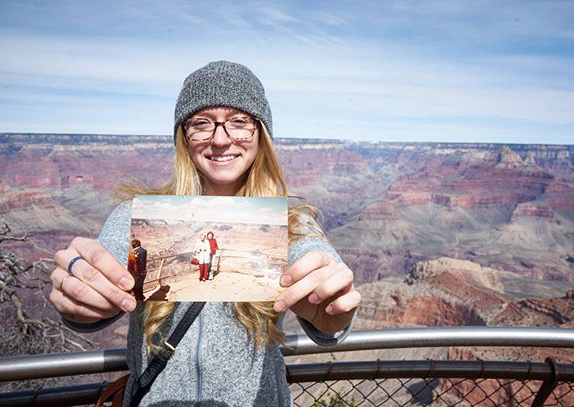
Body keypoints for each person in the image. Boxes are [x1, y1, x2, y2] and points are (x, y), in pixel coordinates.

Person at [48, 60, 360, 406]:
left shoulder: (293, 225)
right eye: (202, 124)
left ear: (261, 134)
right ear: (184, 137)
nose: (221, 140)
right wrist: (82, 300)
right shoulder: (136, 219)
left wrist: (334, 311)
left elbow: (323, 278)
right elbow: (99, 284)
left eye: (239, 122)